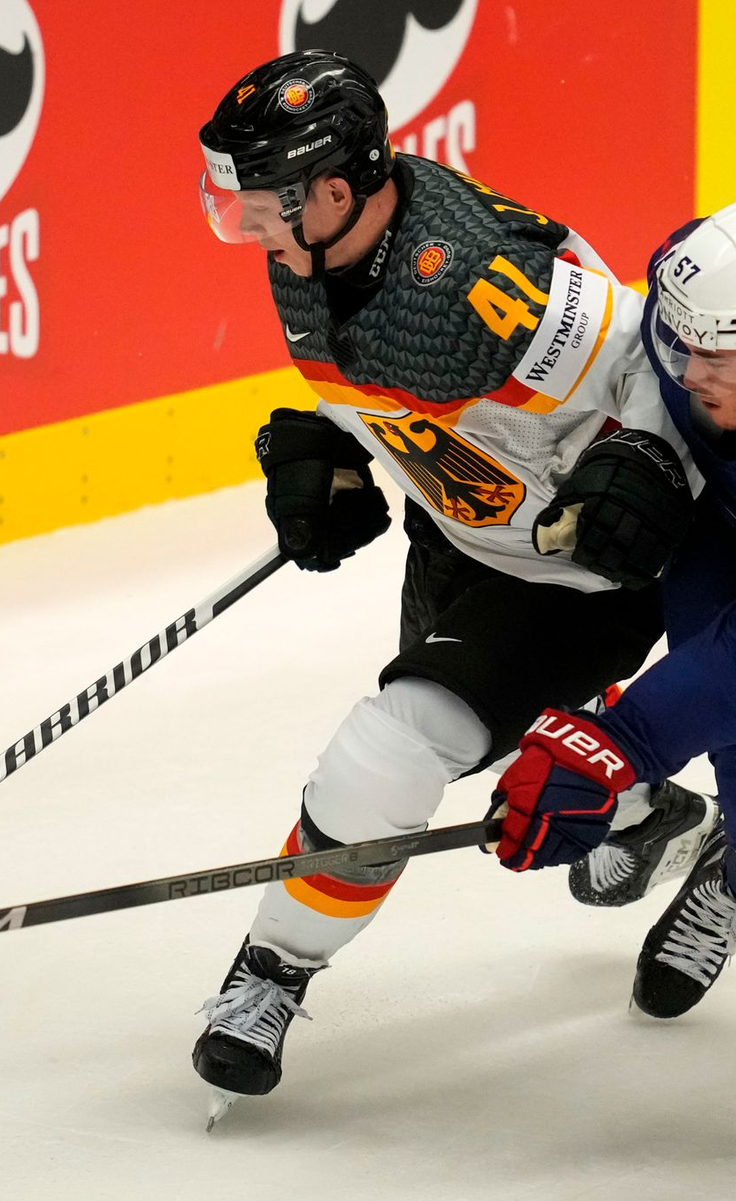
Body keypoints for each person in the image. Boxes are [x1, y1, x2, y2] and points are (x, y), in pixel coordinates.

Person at [189, 49, 714, 1121]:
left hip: (574, 575)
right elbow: (379, 384)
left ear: (333, 189)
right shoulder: (319, 248)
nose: (245, 229)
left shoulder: (480, 278)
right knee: (517, 747)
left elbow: (639, 348)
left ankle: (273, 971)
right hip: (466, 539)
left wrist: (650, 460)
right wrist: (324, 446)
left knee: (390, 748)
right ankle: (639, 811)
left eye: (257, 208)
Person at [487, 202, 736, 1020]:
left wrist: (620, 744)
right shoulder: (701, 283)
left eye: (717, 359)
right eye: (686, 346)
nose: (691, 373)